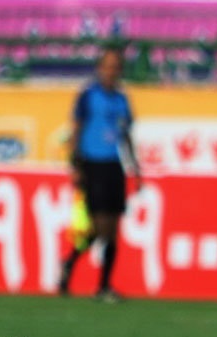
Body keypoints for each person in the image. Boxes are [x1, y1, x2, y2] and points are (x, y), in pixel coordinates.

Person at [59, 47, 140, 302]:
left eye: (116, 67)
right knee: (99, 227)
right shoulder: (88, 96)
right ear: (99, 68)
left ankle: (101, 284)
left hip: (114, 165)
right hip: (92, 164)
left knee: (111, 229)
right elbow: (77, 129)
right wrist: (75, 165)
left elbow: (126, 134)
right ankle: (75, 265)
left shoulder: (122, 99)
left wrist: (135, 168)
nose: (111, 71)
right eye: (108, 66)